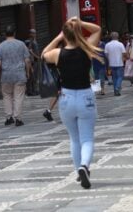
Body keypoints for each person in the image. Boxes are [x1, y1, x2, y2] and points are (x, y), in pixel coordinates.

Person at [42, 17, 101, 189]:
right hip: (85, 96)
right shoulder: (86, 49)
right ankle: (84, 166)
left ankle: (78, 171)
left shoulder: (57, 54)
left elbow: (43, 54)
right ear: (77, 33)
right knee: (87, 138)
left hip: (66, 98)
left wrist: (58, 38)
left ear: (65, 35)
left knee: (74, 139)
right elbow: (97, 29)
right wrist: (80, 23)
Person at [0, 25, 32, 126]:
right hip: (19, 74)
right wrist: (27, 72)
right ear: (14, 33)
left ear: (5, 34)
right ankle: (18, 118)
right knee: (18, 96)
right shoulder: (21, 44)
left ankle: (8, 117)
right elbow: (27, 60)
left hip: (6, 75)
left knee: (7, 96)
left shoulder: (0, 46)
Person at [104, 32, 126, 96]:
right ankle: (117, 87)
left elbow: (106, 54)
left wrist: (109, 59)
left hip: (111, 63)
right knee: (120, 76)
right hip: (119, 63)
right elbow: (124, 53)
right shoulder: (120, 44)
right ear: (118, 36)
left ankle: (116, 92)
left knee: (114, 77)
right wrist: (123, 59)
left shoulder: (107, 44)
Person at [25, 29, 40, 96]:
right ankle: (30, 91)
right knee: (31, 76)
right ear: (30, 34)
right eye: (32, 33)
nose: (34, 35)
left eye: (35, 33)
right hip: (32, 61)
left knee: (35, 76)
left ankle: (34, 90)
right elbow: (29, 51)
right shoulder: (29, 42)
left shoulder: (34, 41)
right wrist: (36, 57)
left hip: (36, 61)